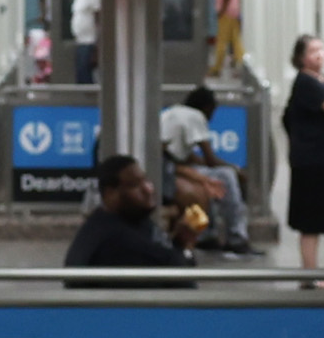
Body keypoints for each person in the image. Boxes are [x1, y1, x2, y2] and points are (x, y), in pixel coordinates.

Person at [280, 36, 324, 266]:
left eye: (321, 48)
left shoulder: (321, 80)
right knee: (310, 223)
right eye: (313, 51)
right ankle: (310, 274)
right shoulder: (307, 83)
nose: (319, 54)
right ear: (301, 57)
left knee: (314, 223)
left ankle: (311, 272)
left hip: (322, 160)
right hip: (312, 163)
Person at [157, 82, 250, 253]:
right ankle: (236, 236)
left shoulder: (173, 112)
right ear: (207, 107)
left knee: (210, 179)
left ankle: (209, 233)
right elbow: (210, 160)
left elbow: (188, 156)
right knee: (226, 176)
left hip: (165, 167)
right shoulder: (195, 116)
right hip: (168, 169)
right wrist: (236, 169)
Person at [66, 153, 195, 271]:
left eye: (146, 180)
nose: (148, 189)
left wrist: (178, 241)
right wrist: (186, 248)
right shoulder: (116, 242)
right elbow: (179, 276)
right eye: (135, 185)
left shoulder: (133, 217)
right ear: (110, 194)